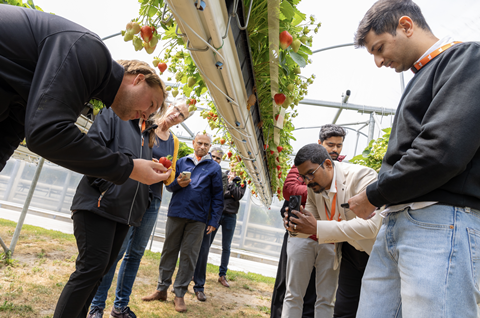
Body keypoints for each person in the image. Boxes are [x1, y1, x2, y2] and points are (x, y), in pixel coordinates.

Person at [348, 1, 480, 317]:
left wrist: (373, 194)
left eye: (379, 48)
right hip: (398, 219)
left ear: (406, 26)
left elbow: (441, 152)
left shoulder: (465, 59)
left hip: (439, 220)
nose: (379, 61)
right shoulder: (422, 75)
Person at [0, 5, 167, 185]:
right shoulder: (91, 52)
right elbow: (47, 133)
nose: (145, 116)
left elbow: (11, 132)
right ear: (138, 79)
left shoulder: (80, 88)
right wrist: (129, 167)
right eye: (151, 104)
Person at [53, 102, 171, 318]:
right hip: (100, 205)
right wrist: (107, 187)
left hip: (124, 214)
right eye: (151, 101)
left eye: (156, 106)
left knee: (98, 273)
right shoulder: (115, 115)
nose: (151, 108)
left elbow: (133, 170)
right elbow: (92, 151)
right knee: (90, 270)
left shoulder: (146, 133)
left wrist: (145, 185)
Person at [87, 98, 191, 318]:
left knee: (135, 254)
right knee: (117, 251)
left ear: (182, 121)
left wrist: (170, 175)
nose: (176, 114)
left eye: (182, 115)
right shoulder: (146, 123)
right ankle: (97, 305)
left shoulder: (173, 140)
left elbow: (169, 173)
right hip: (131, 193)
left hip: (153, 198)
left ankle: (120, 306)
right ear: (168, 106)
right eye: (176, 109)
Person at [284, 143, 381, 318]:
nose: (307, 181)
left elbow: (371, 227)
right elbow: (313, 225)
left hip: (376, 253)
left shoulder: (363, 176)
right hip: (349, 251)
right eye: (303, 177)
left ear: (328, 164)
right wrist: (295, 227)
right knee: (343, 310)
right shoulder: (313, 189)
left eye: (311, 174)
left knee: (374, 309)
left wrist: (316, 227)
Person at [142, 132, 224, 313]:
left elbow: (218, 197)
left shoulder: (214, 168)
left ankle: (179, 293)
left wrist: (214, 221)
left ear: (210, 147)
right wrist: (178, 183)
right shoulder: (181, 162)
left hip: (198, 218)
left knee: (189, 255)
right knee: (168, 251)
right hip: (177, 213)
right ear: (194, 143)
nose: (203, 146)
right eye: (200, 143)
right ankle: (161, 289)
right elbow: (169, 186)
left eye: (206, 144)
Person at [271, 124, 347, 318]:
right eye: (331, 145)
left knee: (323, 297)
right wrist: (322, 186)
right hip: (302, 235)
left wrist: (321, 184)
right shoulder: (306, 163)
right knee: (292, 291)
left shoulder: (344, 167)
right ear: (320, 143)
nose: (335, 150)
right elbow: (288, 189)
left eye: (339, 145)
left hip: (329, 238)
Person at [193, 161, 246, 301]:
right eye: (233, 164)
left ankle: (222, 275)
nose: (235, 167)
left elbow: (238, 195)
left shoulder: (241, 181)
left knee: (226, 246)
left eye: (238, 165)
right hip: (216, 214)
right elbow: (220, 193)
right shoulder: (220, 175)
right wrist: (230, 190)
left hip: (230, 216)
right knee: (206, 244)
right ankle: (196, 271)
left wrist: (231, 183)